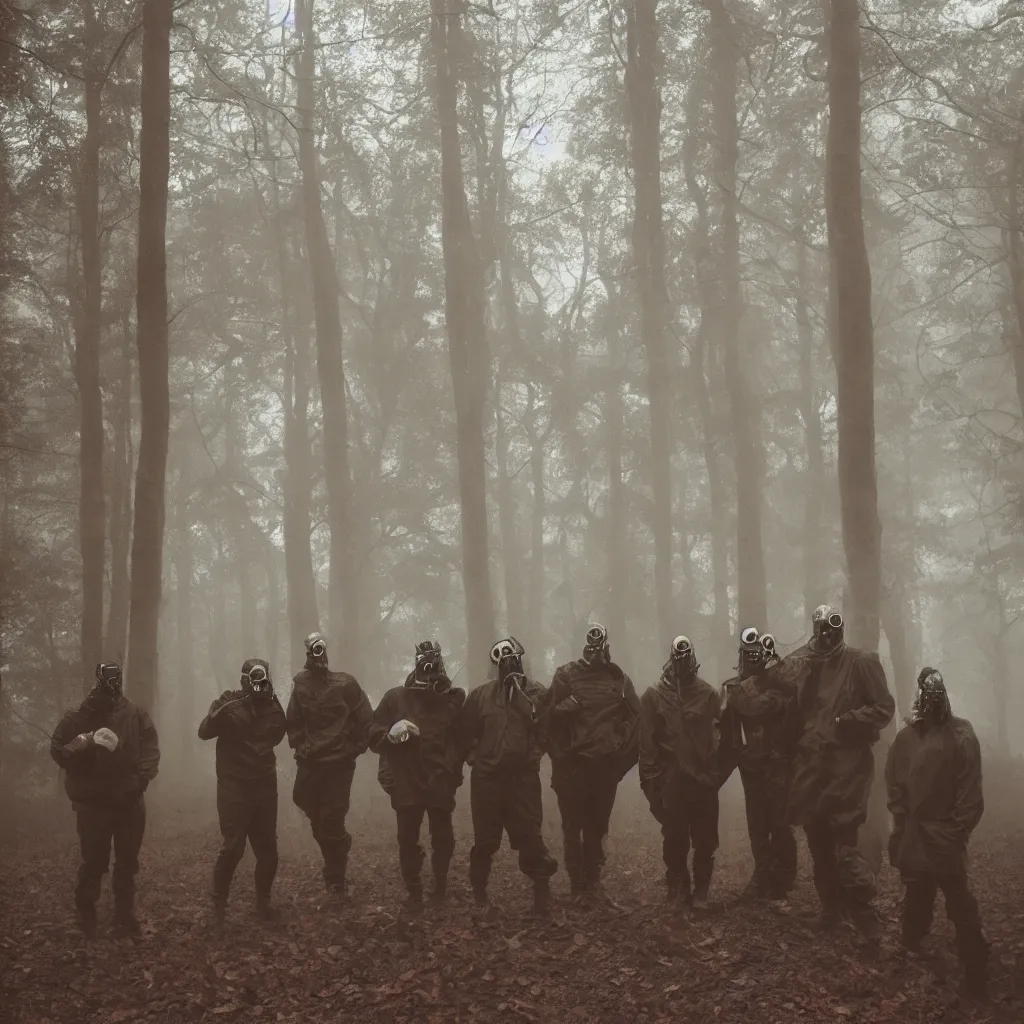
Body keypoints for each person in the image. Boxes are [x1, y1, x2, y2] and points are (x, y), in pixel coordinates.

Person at [787, 605, 895, 936]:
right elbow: (797, 708)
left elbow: (884, 708)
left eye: (834, 628)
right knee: (818, 843)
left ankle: (864, 917)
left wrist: (850, 722)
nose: (828, 635)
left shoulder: (861, 662)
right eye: (822, 628)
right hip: (811, 769)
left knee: (845, 846)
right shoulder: (807, 665)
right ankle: (832, 913)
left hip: (847, 769)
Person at [886, 668, 988, 996]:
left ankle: (975, 968)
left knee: (958, 900)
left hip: (944, 835)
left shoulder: (961, 735)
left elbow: (969, 791)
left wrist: (956, 831)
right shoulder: (906, 739)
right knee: (918, 893)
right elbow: (896, 785)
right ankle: (911, 945)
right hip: (917, 833)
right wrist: (901, 827)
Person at [50, 662, 160, 937]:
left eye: (116, 678)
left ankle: (123, 917)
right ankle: (86, 916)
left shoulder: (135, 714)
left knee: (126, 862)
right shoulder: (79, 715)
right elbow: (58, 751)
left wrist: (140, 781)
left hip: (129, 802)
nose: (113, 684)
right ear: (98, 679)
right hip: (94, 805)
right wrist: (84, 740)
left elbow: (151, 749)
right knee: (94, 862)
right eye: (108, 679)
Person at [456, 636, 557, 914]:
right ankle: (480, 895)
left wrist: (534, 756)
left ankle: (541, 896)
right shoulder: (479, 696)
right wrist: (474, 758)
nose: (509, 664)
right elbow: (465, 733)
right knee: (485, 839)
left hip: (522, 780)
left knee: (530, 836)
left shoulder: (536, 692)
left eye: (513, 659)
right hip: (487, 779)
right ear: (495, 666)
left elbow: (545, 729)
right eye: (503, 661)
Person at [370, 640, 466, 911]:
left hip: (440, 780)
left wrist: (452, 772)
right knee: (407, 840)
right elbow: (371, 732)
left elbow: (461, 740)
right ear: (415, 663)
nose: (429, 667)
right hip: (406, 781)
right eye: (425, 661)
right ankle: (414, 892)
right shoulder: (395, 698)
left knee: (443, 839)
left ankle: (440, 886)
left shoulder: (452, 699)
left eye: (434, 661)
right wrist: (389, 734)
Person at [547, 624, 641, 900]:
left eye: (599, 645)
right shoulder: (565, 675)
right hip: (573, 767)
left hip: (603, 767)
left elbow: (636, 718)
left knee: (597, 825)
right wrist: (563, 760)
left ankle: (593, 882)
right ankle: (577, 885)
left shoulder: (618, 678)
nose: (594, 650)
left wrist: (617, 755)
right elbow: (548, 720)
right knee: (572, 826)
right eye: (589, 644)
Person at [198, 658, 287, 928]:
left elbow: (279, 731)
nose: (260, 680)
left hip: (264, 786)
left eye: (263, 675)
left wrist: (265, 699)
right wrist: (240, 703)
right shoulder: (229, 702)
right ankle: (219, 905)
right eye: (254, 676)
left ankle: (263, 902)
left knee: (268, 851)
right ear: (244, 679)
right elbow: (204, 731)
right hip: (234, 786)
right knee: (233, 848)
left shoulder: (272, 704)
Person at [286, 631, 372, 899]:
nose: (319, 654)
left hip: (338, 764)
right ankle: (337, 850)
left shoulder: (346, 684)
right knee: (309, 809)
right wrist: (301, 746)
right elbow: (294, 720)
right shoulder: (300, 685)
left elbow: (365, 716)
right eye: (314, 650)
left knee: (332, 820)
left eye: (322, 649)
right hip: (311, 763)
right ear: (308, 653)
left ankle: (336, 878)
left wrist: (353, 749)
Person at [639, 636, 721, 910]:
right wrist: (652, 785)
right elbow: (647, 744)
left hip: (702, 781)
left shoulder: (708, 694)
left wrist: (713, 776)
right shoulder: (653, 695)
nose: (683, 660)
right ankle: (677, 888)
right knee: (674, 838)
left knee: (705, 840)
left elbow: (720, 737)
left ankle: (701, 893)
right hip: (670, 780)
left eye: (687, 655)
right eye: (679, 655)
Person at [721, 628, 798, 901]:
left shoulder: (780, 685)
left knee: (778, 823)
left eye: (756, 655)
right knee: (757, 824)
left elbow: (764, 709)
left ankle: (782, 879)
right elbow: (726, 729)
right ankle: (763, 876)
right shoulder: (735, 688)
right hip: (751, 766)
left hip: (777, 765)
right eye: (747, 655)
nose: (751, 660)